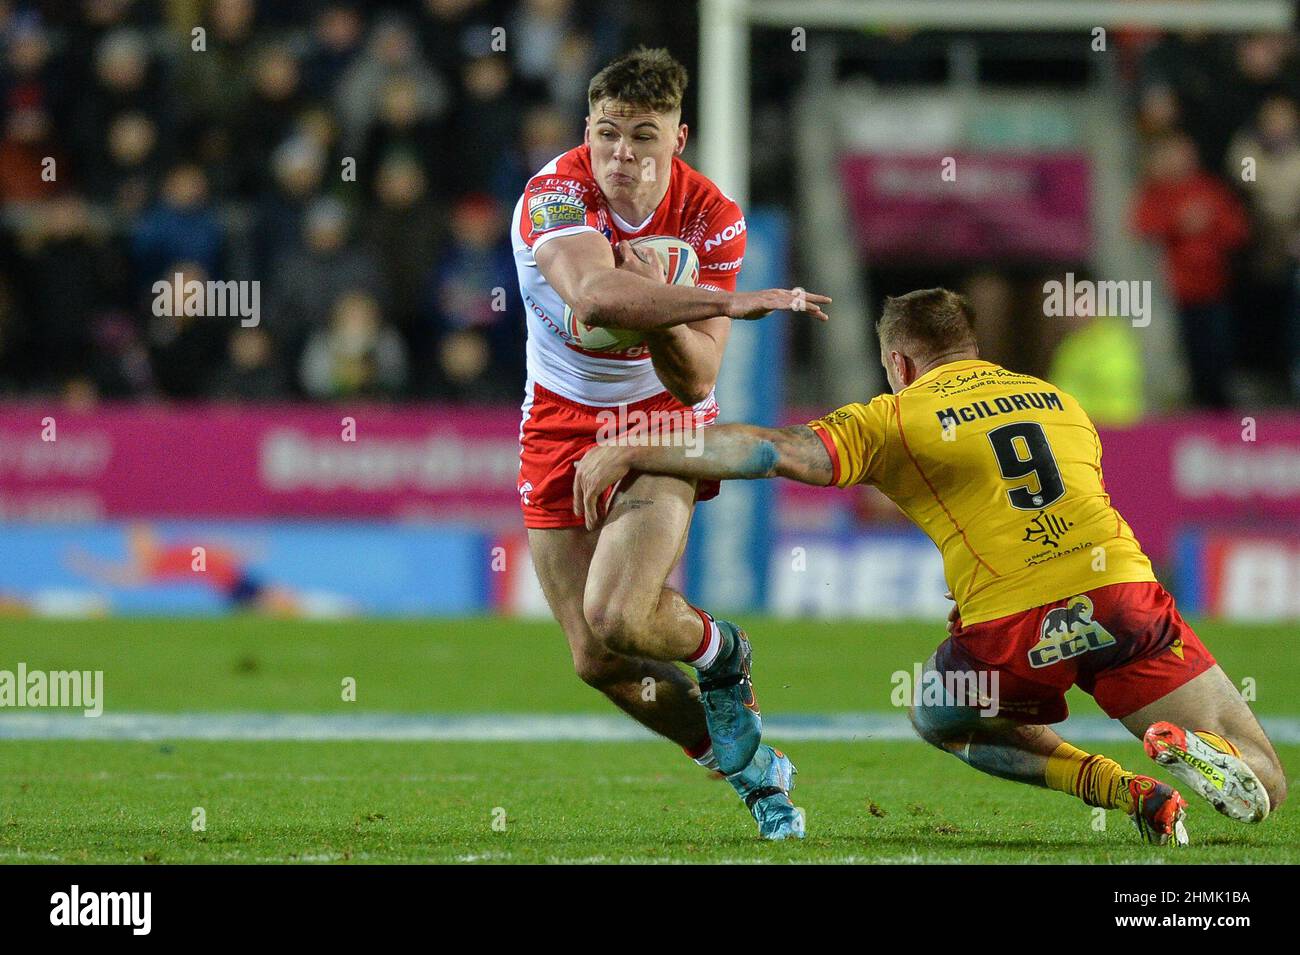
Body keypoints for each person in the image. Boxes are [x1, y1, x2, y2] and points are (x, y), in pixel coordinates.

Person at [574, 288, 1286, 846]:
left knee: (942, 714)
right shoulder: (1061, 401)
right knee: (1268, 781)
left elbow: (769, 448)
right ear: (971, 347)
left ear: (900, 365)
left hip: (1017, 628)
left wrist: (643, 445)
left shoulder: (899, 414)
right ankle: (1190, 753)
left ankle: (1110, 784)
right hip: (1123, 599)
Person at [513, 47, 830, 840]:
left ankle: (722, 653)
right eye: (607, 132)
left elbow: (694, 381)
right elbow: (591, 294)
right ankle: (748, 765)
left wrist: (660, 309)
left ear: (677, 139)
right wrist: (719, 299)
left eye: (643, 136)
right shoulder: (554, 193)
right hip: (557, 417)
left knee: (620, 613)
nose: (621, 155)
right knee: (596, 658)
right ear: (587, 128)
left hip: (659, 422)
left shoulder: (712, 217)